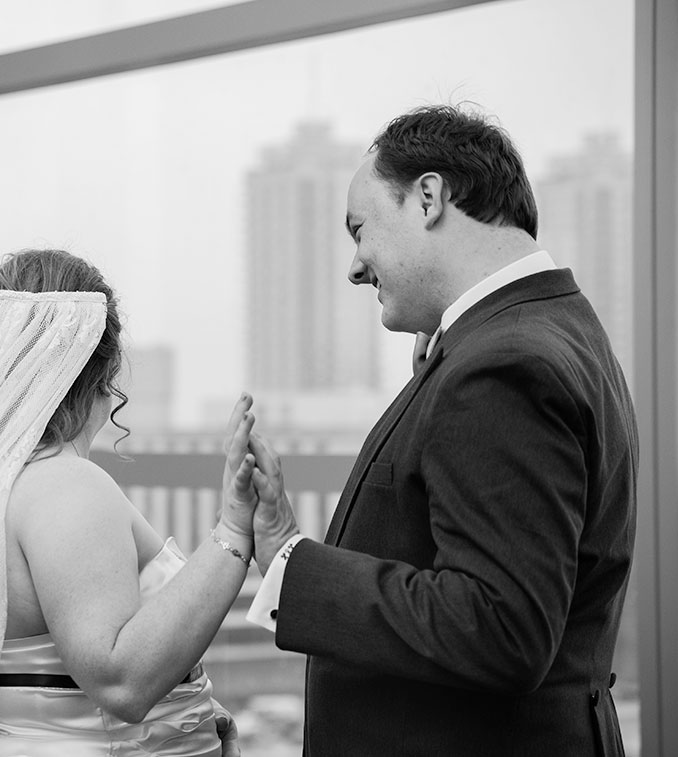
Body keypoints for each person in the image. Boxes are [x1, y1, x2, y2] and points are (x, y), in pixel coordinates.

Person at [244, 105, 637, 756]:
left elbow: (501, 625)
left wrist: (291, 564)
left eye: (359, 229)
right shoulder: (556, 330)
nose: (355, 267)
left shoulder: (500, 368)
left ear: (428, 197)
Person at [0, 249, 258, 756]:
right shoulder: (65, 485)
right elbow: (121, 683)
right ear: (101, 370)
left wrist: (186, 716)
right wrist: (233, 529)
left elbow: (30, 684)